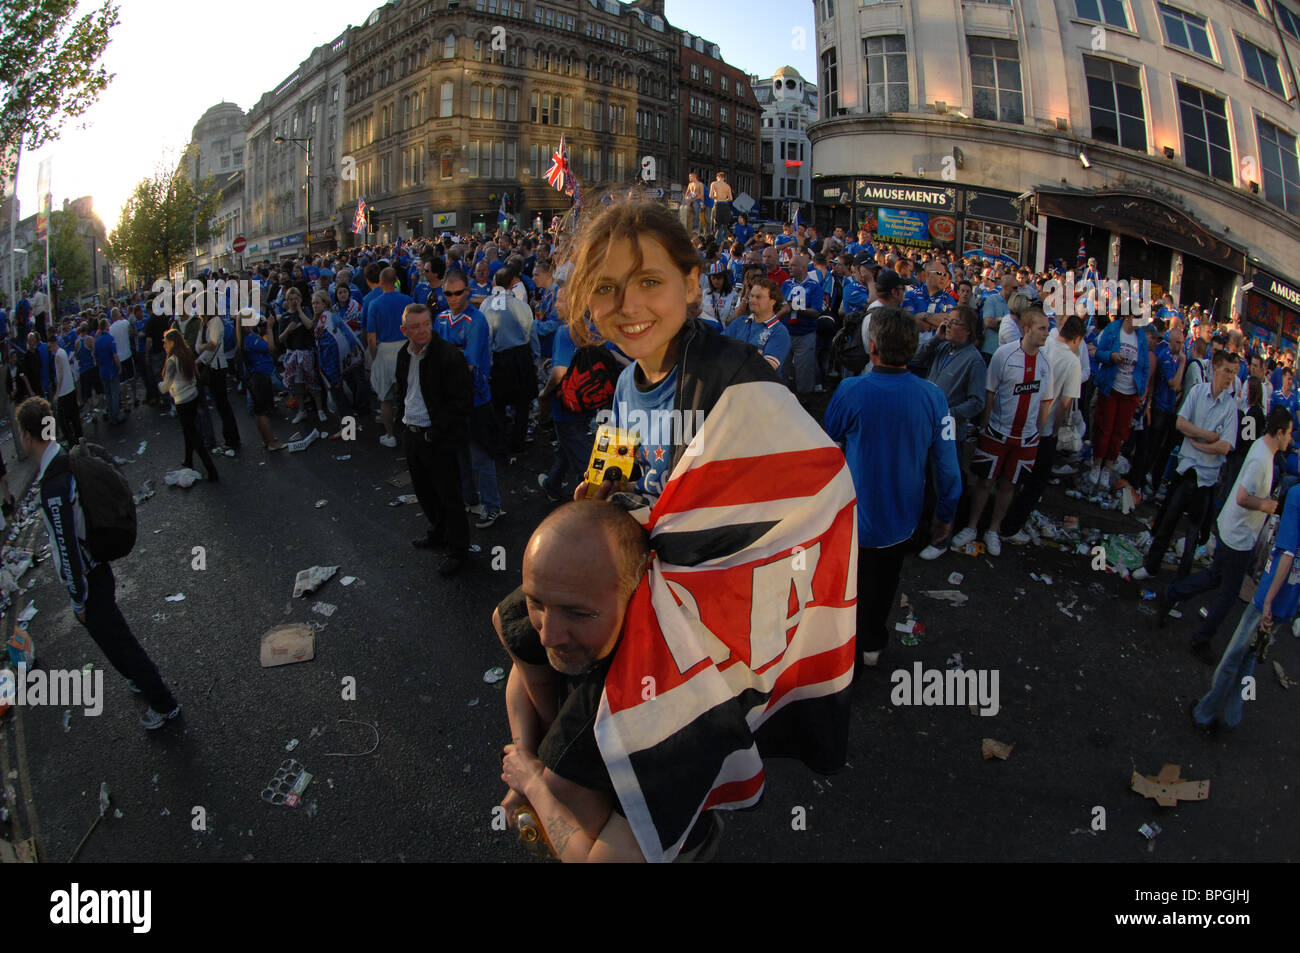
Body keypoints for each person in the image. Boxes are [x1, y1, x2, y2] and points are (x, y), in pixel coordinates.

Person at [496, 199, 854, 860]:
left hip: (693, 619)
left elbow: (816, 488)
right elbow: (635, 467)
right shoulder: (630, 382)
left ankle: (625, 796)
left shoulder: (737, 378)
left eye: (649, 281)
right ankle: (568, 753)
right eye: (605, 286)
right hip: (636, 581)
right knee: (517, 623)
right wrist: (609, 492)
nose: (627, 304)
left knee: (594, 801)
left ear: (692, 284)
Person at [496, 501, 664, 862]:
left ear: (637, 592)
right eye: (535, 602)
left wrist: (534, 784)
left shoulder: (663, 716)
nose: (548, 636)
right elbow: (520, 662)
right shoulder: (572, 607)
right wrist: (526, 752)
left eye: (578, 614)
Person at [20, 396, 181, 729]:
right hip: (97, 570)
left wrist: (77, 598)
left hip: (88, 579)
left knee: (120, 641)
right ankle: (139, 680)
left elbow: (66, 546)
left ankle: (164, 705)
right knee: (114, 641)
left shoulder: (53, 485)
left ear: (26, 436)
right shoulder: (64, 460)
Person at [825, 307, 961, 666]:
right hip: (903, 519)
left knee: (848, 584)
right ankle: (871, 642)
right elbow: (949, 470)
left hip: (852, 515)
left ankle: (845, 648)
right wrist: (945, 517)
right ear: (914, 348)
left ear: (872, 347)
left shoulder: (849, 390)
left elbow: (829, 444)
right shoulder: (933, 397)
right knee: (885, 583)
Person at [1158, 407, 1291, 665]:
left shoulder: (1263, 449)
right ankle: (1201, 639)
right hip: (1238, 537)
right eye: (1288, 434)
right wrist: (1265, 505)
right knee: (1228, 594)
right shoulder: (1261, 459)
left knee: (1213, 577)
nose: (1291, 439)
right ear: (1278, 432)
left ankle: (1171, 593)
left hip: (1234, 530)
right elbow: (1242, 497)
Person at [1192, 479, 1300, 731]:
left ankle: (1204, 713)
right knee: (1250, 656)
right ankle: (1232, 715)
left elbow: (1287, 555)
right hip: (1290, 599)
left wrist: (1269, 601)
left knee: (1234, 656)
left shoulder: (1296, 495)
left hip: (1272, 597)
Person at [951, 307, 1054, 557]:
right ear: (1027, 329)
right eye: (1042, 329)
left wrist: (1038, 433)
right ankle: (972, 527)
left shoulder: (1045, 363)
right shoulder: (1004, 354)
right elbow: (989, 391)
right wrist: (986, 426)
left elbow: (1046, 401)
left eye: (1048, 329)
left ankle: (993, 530)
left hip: (1026, 438)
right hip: (997, 432)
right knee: (985, 482)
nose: (1046, 334)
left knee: (1010, 485)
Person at [1134, 350, 1241, 583]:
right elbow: (1181, 422)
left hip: (1206, 478)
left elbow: (1225, 446)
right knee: (1167, 522)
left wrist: (1201, 445)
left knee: (1192, 536)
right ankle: (1151, 566)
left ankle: (1179, 586)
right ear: (1215, 368)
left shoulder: (1230, 407)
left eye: (1233, 373)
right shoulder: (1197, 392)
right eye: (1227, 371)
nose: (1230, 377)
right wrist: (1206, 435)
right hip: (1185, 469)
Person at [394, 302, 474, 575]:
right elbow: (403, 389)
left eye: (426, 324)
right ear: (404, 330)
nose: (422, 331)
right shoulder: (404, 354)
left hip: (436, 437)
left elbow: (461, 401)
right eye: (415, 327)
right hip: (412, 432)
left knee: (449, 494)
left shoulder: (447, 355)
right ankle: (438, 533)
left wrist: (435, 432)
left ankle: (458, 550)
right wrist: (400, 423)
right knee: (424, 491)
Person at [1002, 316, 1085, 544]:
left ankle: (1000, 518)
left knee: (1013, 476)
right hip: (1044, 428)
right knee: (1035, 482)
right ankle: (1010, 526)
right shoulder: (1072, 361)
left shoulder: (1043, 343)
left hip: (1020, 417)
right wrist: (1055, 432)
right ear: (1078, 339)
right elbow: (1065, 404)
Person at [435, 270, 505, 529]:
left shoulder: (477, 321)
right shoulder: (440, 318)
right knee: (459, 452)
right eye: (447, 294)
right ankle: (470, 498)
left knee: (482, 455)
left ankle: (492, 505)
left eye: (458, 293)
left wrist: (448, 359)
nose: (452, 298)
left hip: (476, 399)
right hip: (451, 401)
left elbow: (468, 366)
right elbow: (436, 357)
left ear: (467, 291)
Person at [1088, 310, 1150, 491]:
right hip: (1111, 387)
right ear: (1129, 316)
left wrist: (1142, 389)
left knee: (1119, 432)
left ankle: (1107, 468)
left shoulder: (1141, 338)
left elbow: (1145, 365)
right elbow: (1098, 352)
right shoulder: (1113, 329)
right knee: (1104, 428)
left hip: (1130, 391)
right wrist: (1111, 357)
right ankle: (1096, 464)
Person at [483, 268, 538, 458]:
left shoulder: (487, 304)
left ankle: (498, 443)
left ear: (494, 282)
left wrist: (487, 362)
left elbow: (486, 337)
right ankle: (518, 441)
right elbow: (531, 333)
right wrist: (535, 358)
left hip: (499, 359)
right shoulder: (520, 305)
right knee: (522, 403)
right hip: (520, 357)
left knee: (498, 403)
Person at [161, 329, 219, 483]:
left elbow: (166, 386)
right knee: (189, 431)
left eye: (165, 342)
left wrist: (160, 385)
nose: (164, 345)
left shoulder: (172, 360)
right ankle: (188, 460)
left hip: (182, 400)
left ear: (172, 343)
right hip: (192, 396)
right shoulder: (186, 353)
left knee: (193, 435)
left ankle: (212, 471)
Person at [367, 267, 414, 448]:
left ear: (380, 282)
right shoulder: (407, 300)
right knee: (409, 393)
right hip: (406, 347)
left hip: (384, 350)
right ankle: (411, 430)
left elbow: (371, 337)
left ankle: (390, 434)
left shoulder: (375, 304)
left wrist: (374, 356)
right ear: (395, 281)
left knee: (385, 397)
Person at [234, 308, 286, 452]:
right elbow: (271, 347)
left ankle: (266, 439)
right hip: (260, 377)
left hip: (255, 377)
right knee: (263, 412)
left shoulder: (248, 336)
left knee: (258, 411)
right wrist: (269, 328)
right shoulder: (250, 338)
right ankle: (271, 442)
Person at [197, 306, 241, 455]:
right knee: (220, 405)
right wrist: (205, 346)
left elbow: (213, 346)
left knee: (223, 405)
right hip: (212, 367)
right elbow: (199, 347)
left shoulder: (215, 322)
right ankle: (230, 439)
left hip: (217, 367)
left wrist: (200, 360)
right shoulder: (204, 323)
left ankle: (232, 439)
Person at [723, 278, 790, 372]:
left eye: (758, 297)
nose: (752, 300)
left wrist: (734, 350)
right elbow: (719, 349)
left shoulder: (779, 332)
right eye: (751, 296)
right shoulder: (739, 322)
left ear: (773, 301)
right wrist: (754, 353)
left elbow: (765, 368)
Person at [93, 318, 125, 425]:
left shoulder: (97, 341)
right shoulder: (110, 338)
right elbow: (114, 355)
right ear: (106, 326)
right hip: (111, 369)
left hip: (103, 371)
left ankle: (111, 415)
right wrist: (119, 366)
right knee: (115, 393)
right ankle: (116, 416)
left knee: (108, 394)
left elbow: (96, 358)